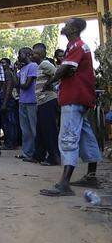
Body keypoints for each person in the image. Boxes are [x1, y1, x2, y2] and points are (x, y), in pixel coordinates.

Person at [40, 18, 102, 196]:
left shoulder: (77, 46)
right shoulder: (78, 46)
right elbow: (68, 69)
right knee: (85, 135)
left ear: (74, 29)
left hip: (73, 98)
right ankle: (91, 175)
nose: (64, 26)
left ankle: (64, 184)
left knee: (68, 138)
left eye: (67, 24)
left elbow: (65, 69)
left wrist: (50, 82)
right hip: (81, 97)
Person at [31, 43, 60, 166]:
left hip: (48, 100)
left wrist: (50, 84)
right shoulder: (39, 66)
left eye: (34, 53)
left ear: (40, 54)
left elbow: (58, 73)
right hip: (42, 102)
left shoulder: (45, 64)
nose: (32, 56)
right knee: (41, 130)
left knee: (49, 130)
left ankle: (54, 158)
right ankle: (38, 155)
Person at [14, 47, 38, 162]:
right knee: (25, 130)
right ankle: (26, 152)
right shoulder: (22, 69)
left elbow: (26, 85)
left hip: (32, 102)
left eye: (20, 54)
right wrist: (15, 71)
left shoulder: (33, 66)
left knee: (33, 129)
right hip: (22, 102)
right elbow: (16, 83)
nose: (18, 56)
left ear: (28, 54)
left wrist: (19, 84)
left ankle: (36, 153)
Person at [0, 58, 18, 151]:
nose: (1, 64)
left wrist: (5, 103)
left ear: (8, 64)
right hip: (6, 100)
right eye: (0, 63)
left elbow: (9, 88)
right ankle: (10, 142)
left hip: (8, 101)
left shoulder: (7, 73)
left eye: (3, 63)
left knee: (9, 123)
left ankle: (10, 143)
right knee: (7, 123)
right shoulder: (6, 73)